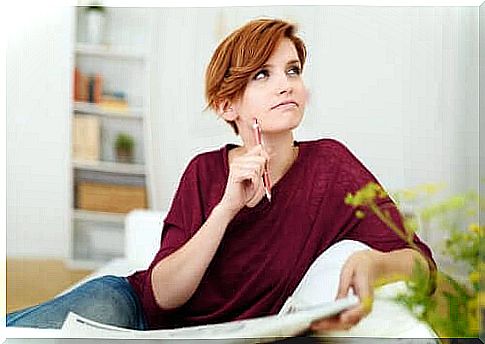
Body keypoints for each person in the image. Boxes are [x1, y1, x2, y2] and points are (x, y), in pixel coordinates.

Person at [7, 18, 436, 333]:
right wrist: (226, 208)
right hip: (135, 310)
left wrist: (373, 263)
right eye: (262, 75)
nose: (285, 84)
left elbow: (424, 267)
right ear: (228, 106)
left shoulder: (332, 167)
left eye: (292, 70)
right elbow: (162, 296)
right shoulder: (204, 172)